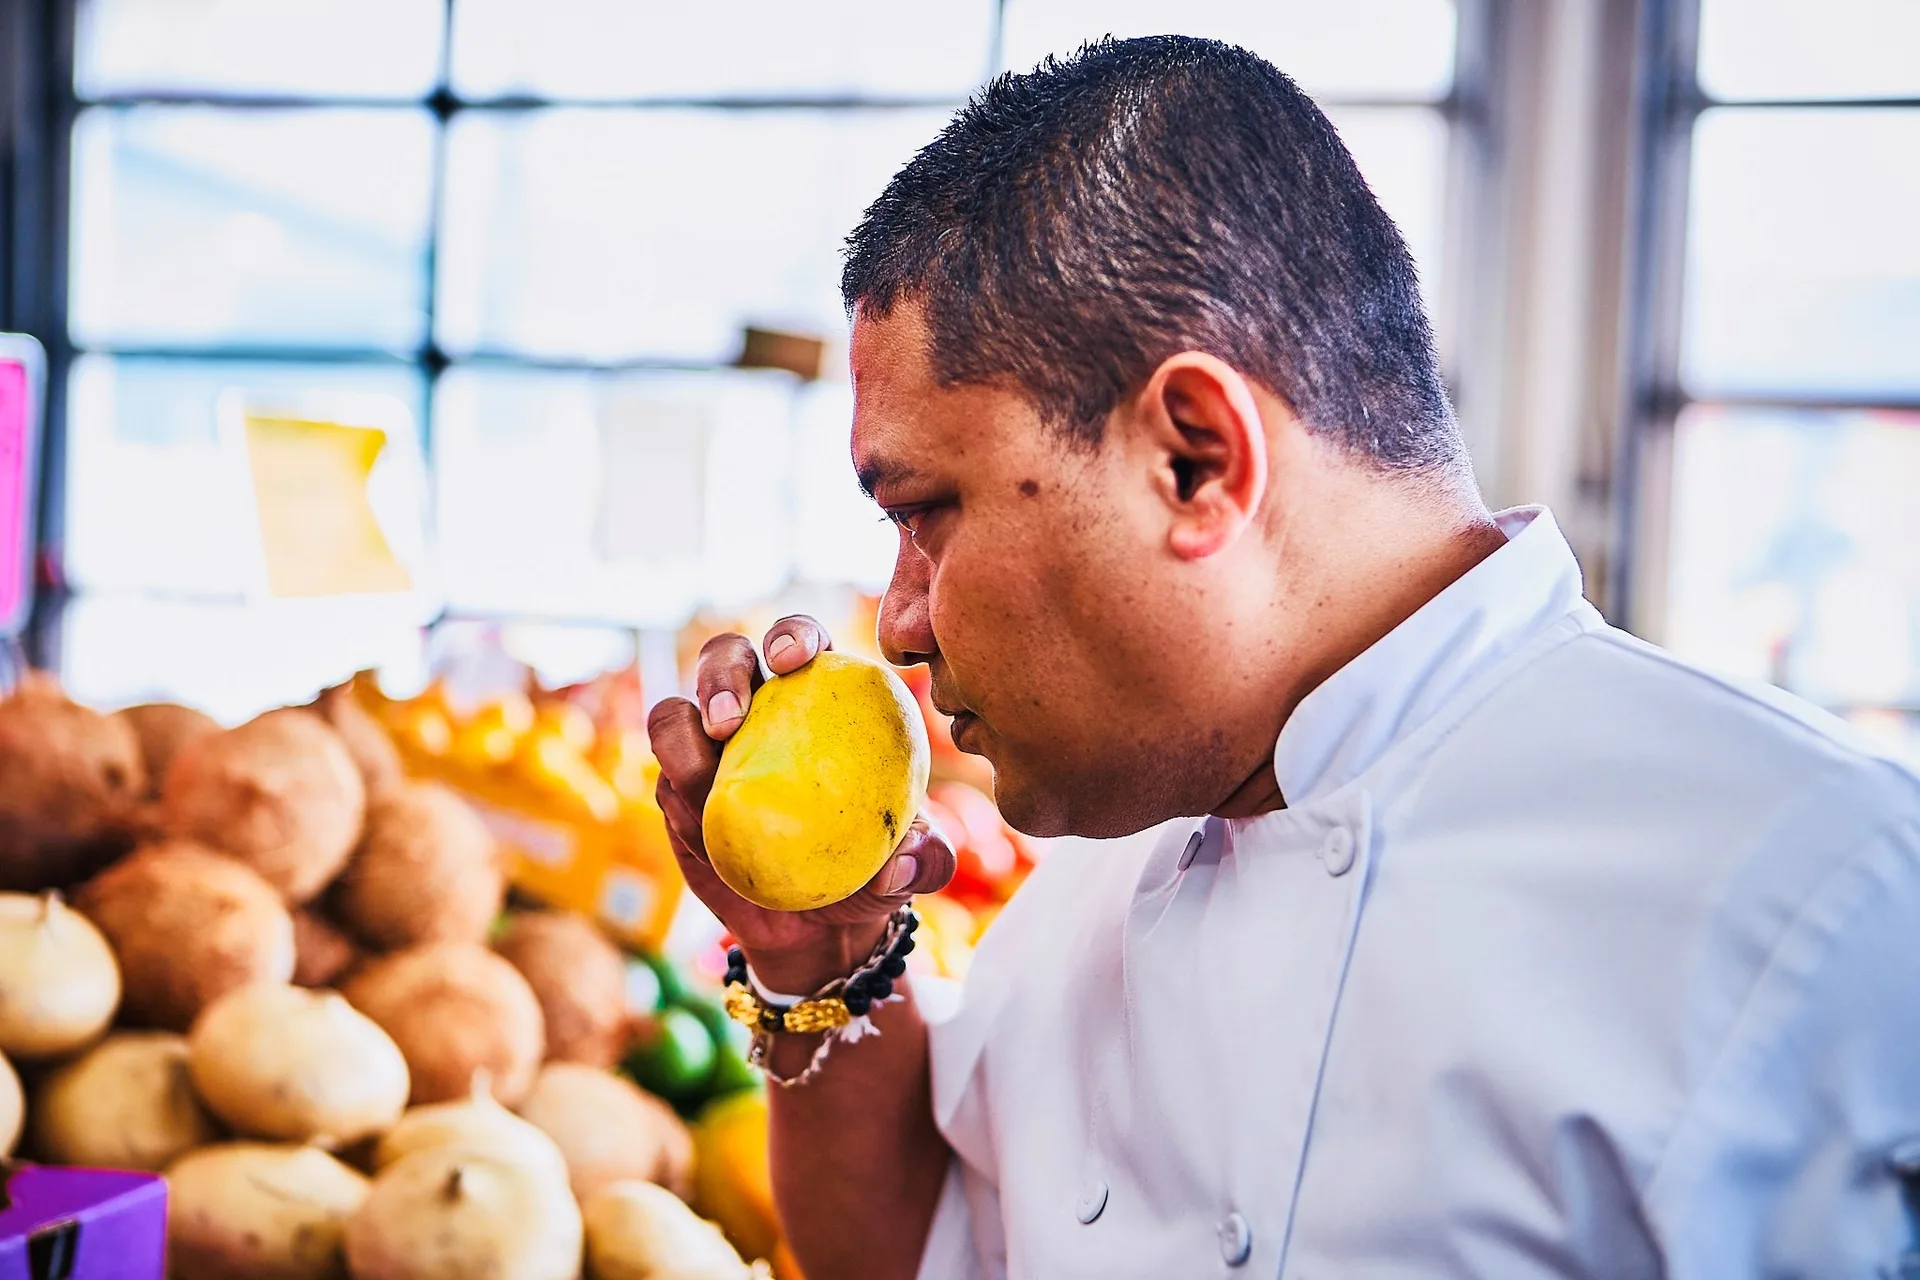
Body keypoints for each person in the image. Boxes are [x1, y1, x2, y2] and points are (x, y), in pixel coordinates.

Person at [648, 35, 1920, 1280]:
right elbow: (915, 1245)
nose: (898, 619)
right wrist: (812, 959)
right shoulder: (1090, 875)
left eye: (924, 511)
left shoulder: (1835, 901)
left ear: (1195, 459)